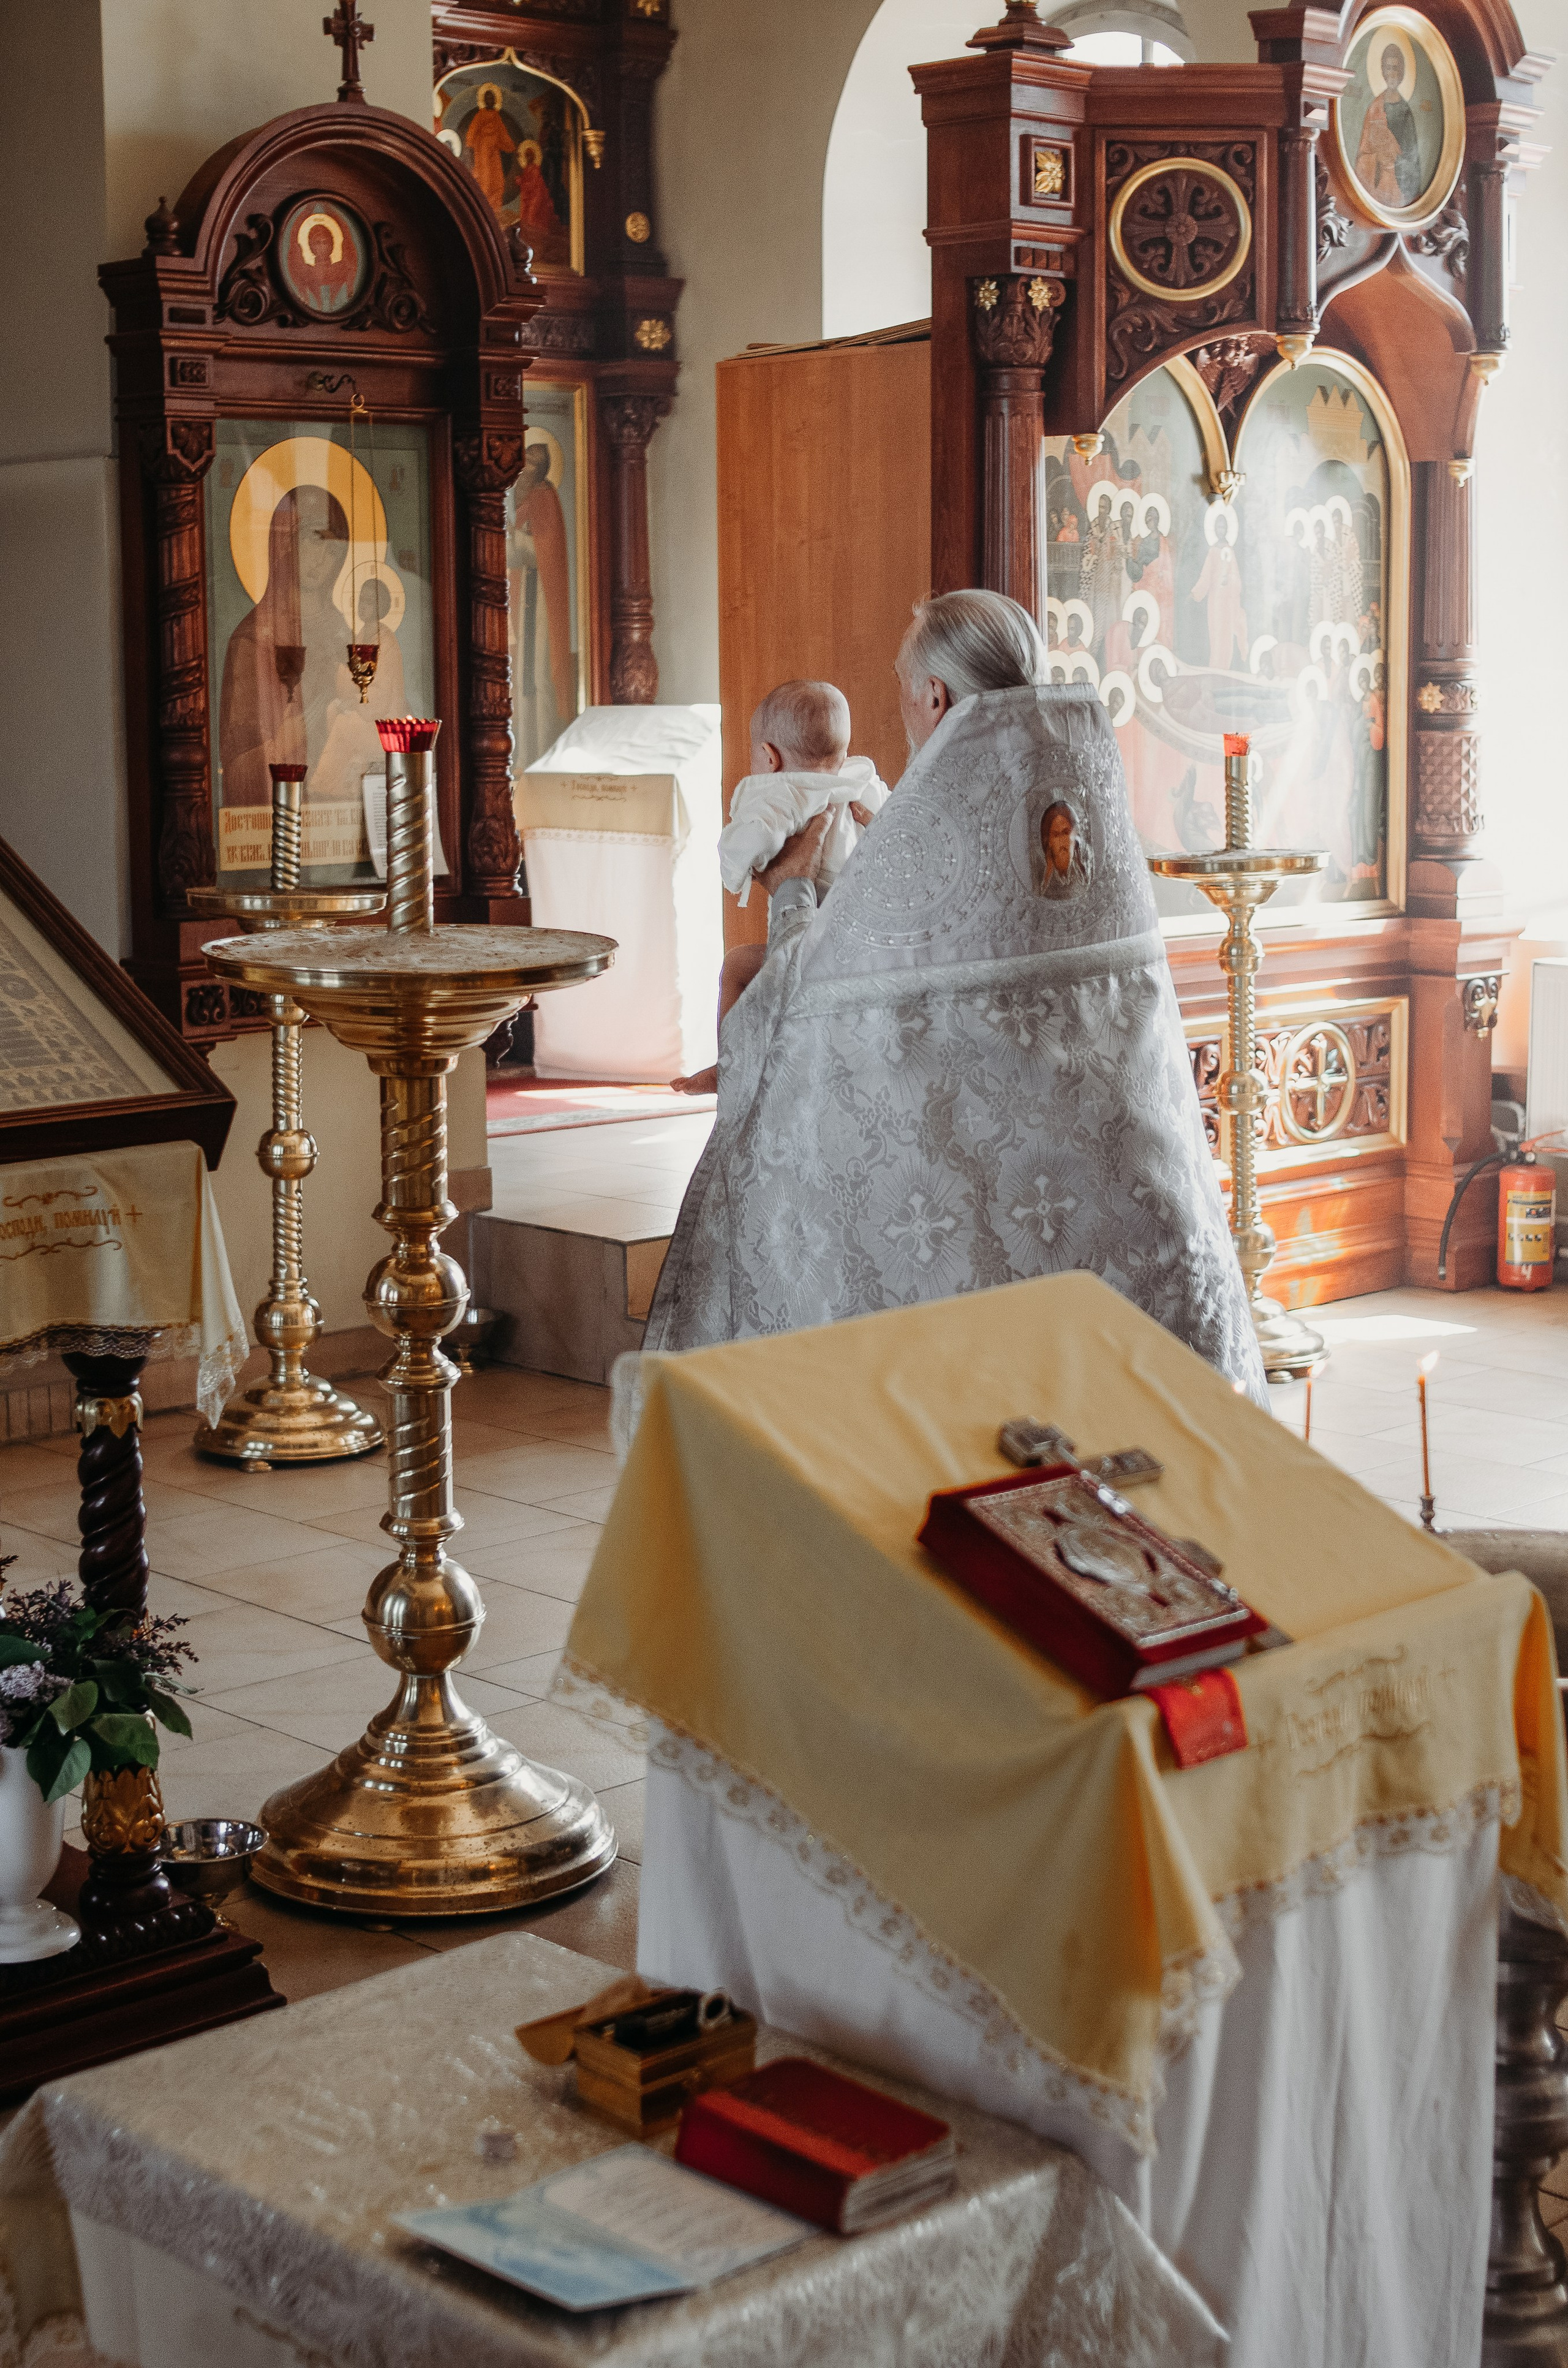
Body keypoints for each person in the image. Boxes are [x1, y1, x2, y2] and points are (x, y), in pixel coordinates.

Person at [644, 588, 1265, 1400]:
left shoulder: (929, 824)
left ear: (933, 695)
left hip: (985, 1244)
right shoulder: (1077, 786)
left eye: (904, 686)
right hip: (1126, 1225)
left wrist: (791, 888)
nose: (903, 706)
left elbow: (807, 1002)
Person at [673, 679, 889, 1095]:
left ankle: (731, 1065)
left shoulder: (780, 793)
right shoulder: (858, 780)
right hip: (861, 951)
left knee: (737, 968)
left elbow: (756, 836)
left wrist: (735, 866)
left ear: (770, 757)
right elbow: (890, 819)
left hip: (809, 952)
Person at [1354, 43, 1420, 208]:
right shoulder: (1374, 109)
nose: (1392, 73)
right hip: (1378, 186)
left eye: (1396, 68)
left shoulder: (1406, 112)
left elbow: (1413, 159)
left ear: (1402, 72)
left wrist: (1396, 162)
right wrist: (1378, 158)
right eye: (1388, 68)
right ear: (1383, 71)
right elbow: (1363, 153)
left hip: (1399, 189)